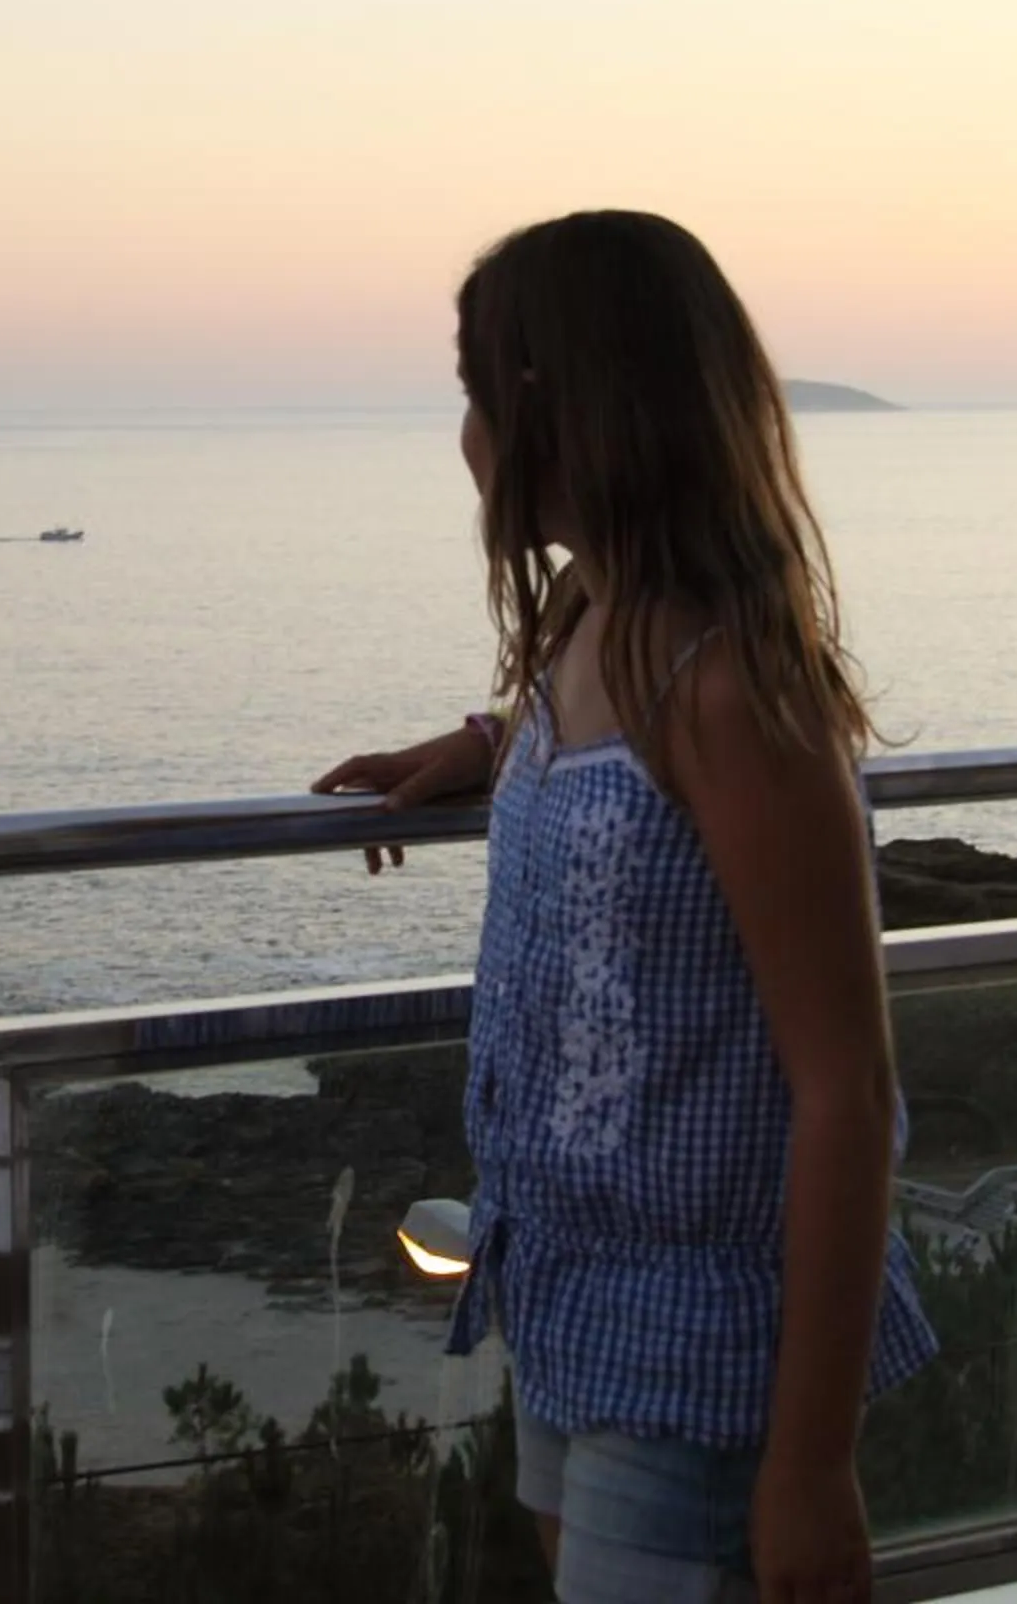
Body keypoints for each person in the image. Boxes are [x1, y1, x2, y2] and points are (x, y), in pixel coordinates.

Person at [314, 211, 935, 1604]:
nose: (464, 437)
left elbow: (848, 1089)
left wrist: (811, 1463)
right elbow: (595, 763)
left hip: (707, 1350)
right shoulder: (592, 617)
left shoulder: (723, 685)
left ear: (557, 408)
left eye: (477, 396)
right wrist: (481, 746)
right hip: (568, 1296)